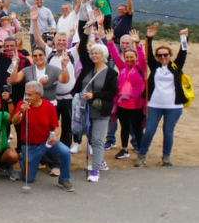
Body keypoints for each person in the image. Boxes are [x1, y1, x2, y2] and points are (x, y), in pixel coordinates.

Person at [136, 26, 189, 167]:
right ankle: (142, 155)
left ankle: (166, 157)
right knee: (149, 131)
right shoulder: (155, 66)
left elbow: (183, 52)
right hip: (155, 105)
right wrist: (149, 38)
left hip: (174, 106)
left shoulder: (176, 66)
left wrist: (184, 37)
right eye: (160, 55)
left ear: (170, 56)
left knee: (168, 132)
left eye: (166, 55)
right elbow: (148, 53)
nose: (163, 57)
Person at [73, 16, 118, 183]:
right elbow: (82, 49)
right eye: (92, 53)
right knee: (91, 138)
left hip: (101, 109)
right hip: (85, 108)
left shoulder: (111, 73)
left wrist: (94, 95)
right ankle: (101, 162)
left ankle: (95, 170)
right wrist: (87, 29)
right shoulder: (88, 66)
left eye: (96, 53)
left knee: (98, 140)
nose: (93, 55)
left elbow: (112, 93)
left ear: (103, 55)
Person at [12, 81, 74, 192]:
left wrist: (54, 136)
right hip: (30, 146)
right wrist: (21, 111)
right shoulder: (22, 104)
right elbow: (15, 121)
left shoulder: (49, 106)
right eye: (26, 94)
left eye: (30, 95)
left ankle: (64, 179)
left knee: (65, 151)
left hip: (47, 142)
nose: (27, 97)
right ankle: (25, 160)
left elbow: (56, 126)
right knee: (29, 179)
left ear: (39, 95)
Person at [108, 30, 147, 160]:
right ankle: (124, 149)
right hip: (122, 104)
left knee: (137, 128)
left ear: (136, 58)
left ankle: (141, 151)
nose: (129, 59)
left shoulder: (140, 68)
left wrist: (138, 44)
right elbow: (115, 55)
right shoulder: (123, 67)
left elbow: (143, 58)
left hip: (136, 104)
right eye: (127, 57)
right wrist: (110, 42)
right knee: (124, 127)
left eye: (132, 57)